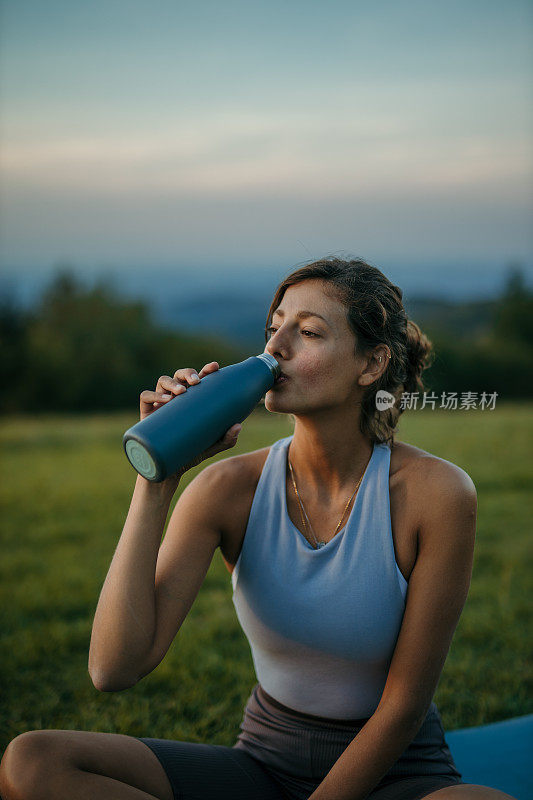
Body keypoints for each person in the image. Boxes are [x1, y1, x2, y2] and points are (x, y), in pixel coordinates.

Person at [0, 257, 516, 800]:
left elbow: (404, 706)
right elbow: (113, 667)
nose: (276, 347)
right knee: (32, 762)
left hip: (394, 774)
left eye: (309, 332)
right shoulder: (229, 489)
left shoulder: (437, 494)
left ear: (371, 364)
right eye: (274, 328)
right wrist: (157, 481)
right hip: (265, 766)